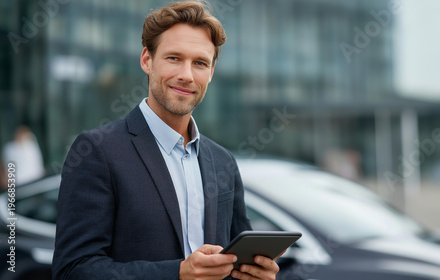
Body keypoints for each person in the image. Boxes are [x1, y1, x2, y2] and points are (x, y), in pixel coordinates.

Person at [52, 1, 281, 280]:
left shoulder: (223, 162)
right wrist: (179, 272)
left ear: (211, 72)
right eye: (174, 58)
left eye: (199, 63)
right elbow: (73, 270)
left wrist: (254, 273)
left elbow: (233, 261)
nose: (186, 75)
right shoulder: (97, 151)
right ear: (147, 60)